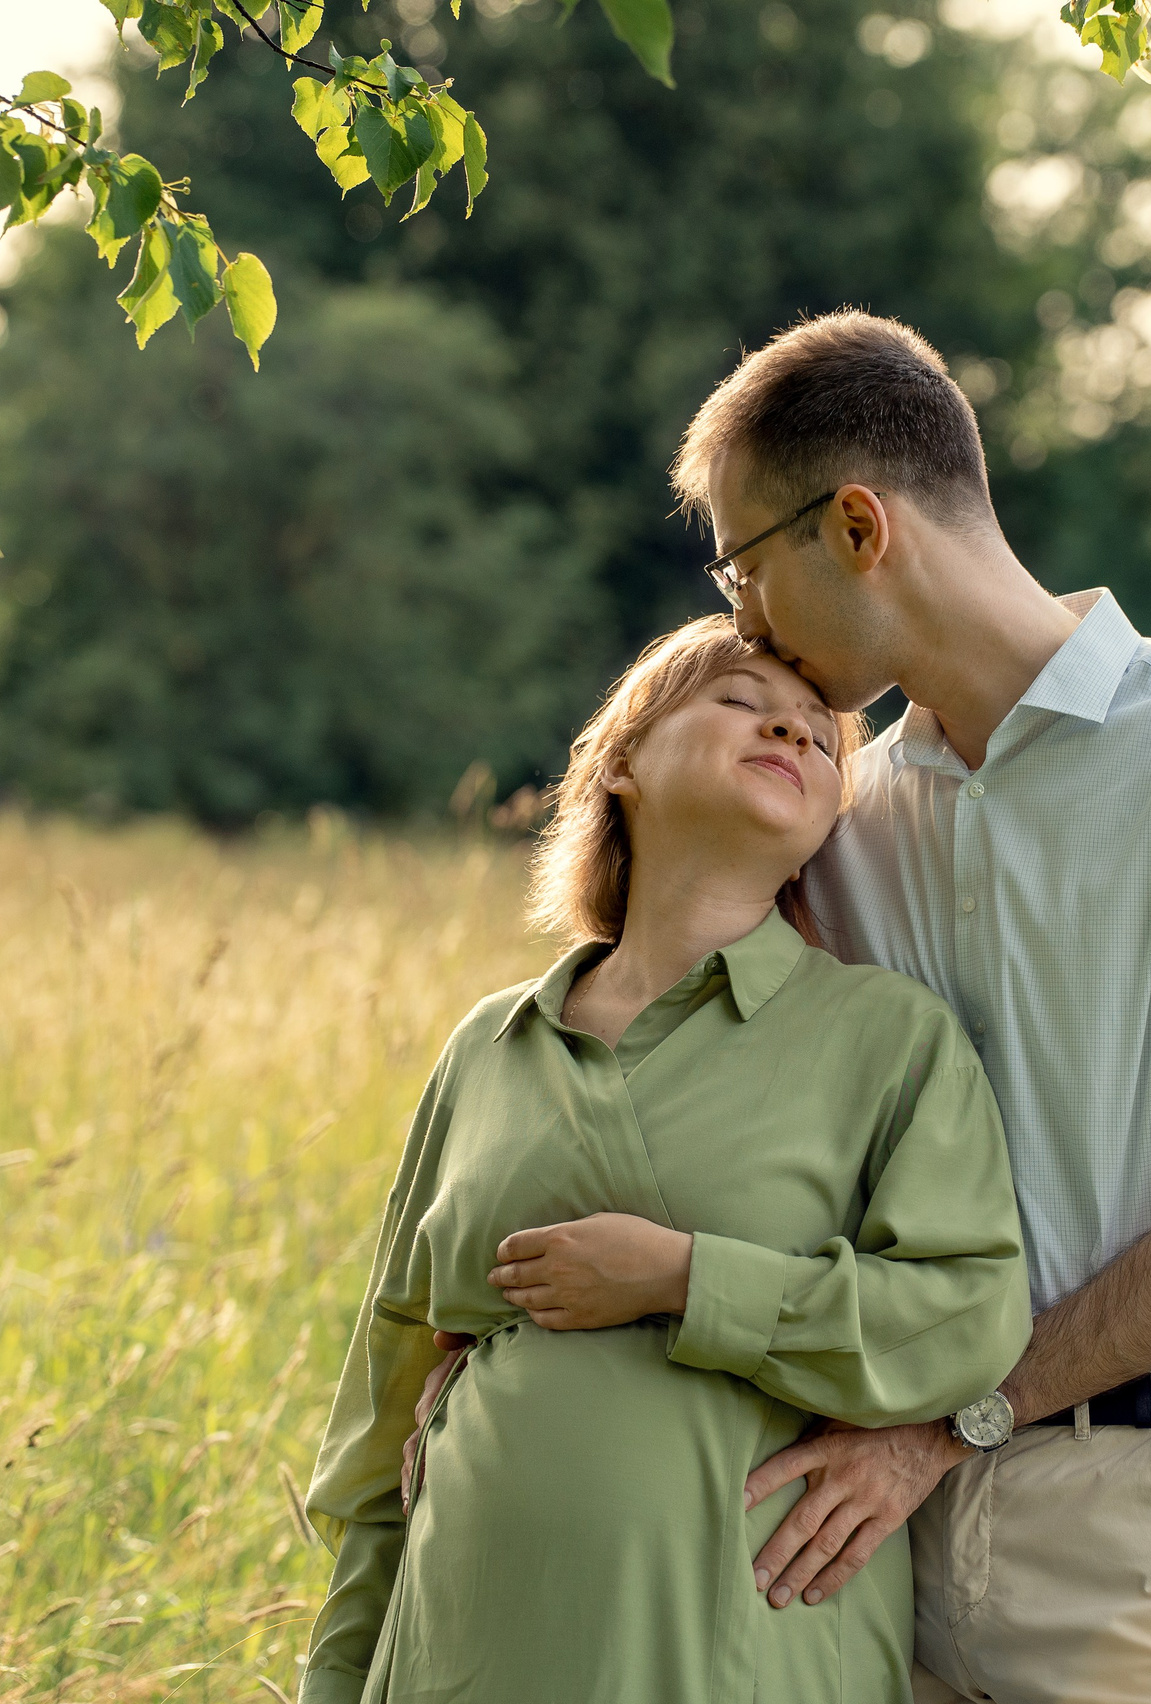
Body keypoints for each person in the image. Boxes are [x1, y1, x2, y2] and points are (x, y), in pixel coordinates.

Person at [676, 312, 1151, 1704]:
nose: (742, 622)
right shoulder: (842, 823)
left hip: (1145, 1534)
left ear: (859, 528)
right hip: (869, 1546)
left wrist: (952, 1424)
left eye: (744, 569)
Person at [295, 617, 1031, 1704]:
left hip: (743, 1653)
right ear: (623, 762)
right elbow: (381, 1420)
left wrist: (687, 1281)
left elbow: (967, 1317)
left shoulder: (887, 1038)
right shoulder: (489, 1047)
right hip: (465, 1649)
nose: (790, 728)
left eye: (820, 734)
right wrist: (338, 1676)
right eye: (739, 700)